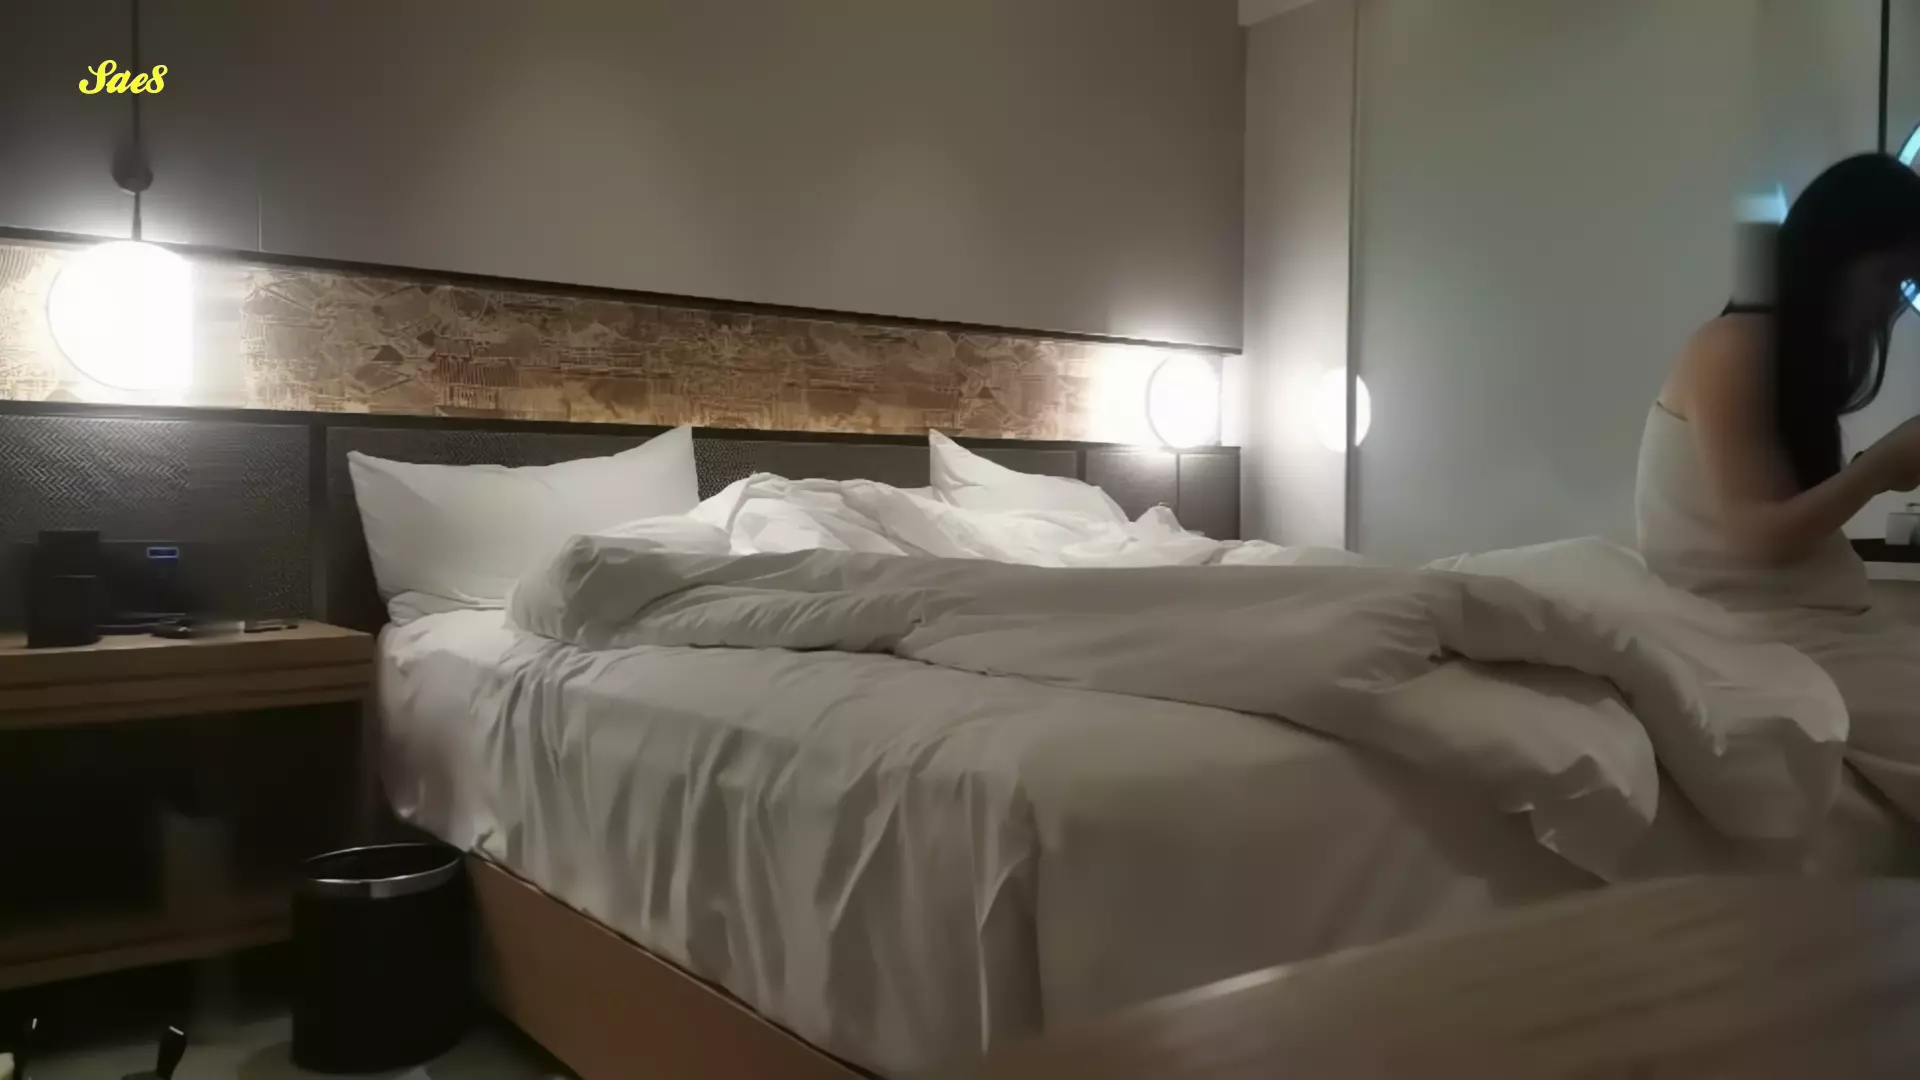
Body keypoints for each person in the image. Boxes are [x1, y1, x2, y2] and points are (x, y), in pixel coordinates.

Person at [1637, 151, 1920, 820]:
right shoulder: (1732, 347)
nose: (1892, 307)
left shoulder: (1782, 357)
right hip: (1766, 634)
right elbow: (1757, 536)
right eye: (1888, 279)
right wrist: (1880, 468)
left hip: (1816, 624)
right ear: (1836, 258)